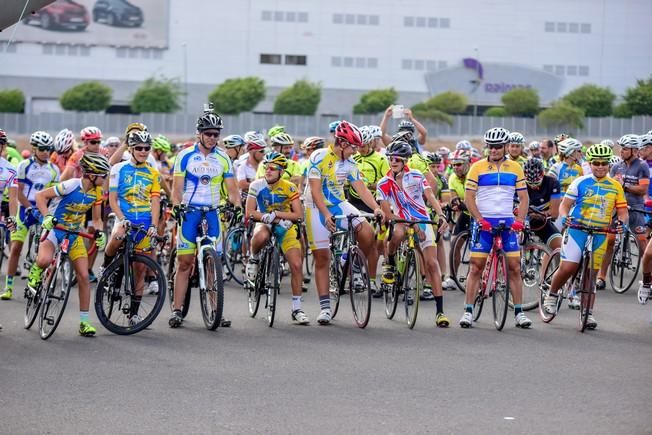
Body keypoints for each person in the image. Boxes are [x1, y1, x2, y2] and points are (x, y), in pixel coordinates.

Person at [304, 120, 385, 325]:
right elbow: (315, 190)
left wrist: (376, 207)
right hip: (315, 207)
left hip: (339, 203)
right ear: (341, 143)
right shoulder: (318, 157)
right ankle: (325, 308)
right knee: (322, 258)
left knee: (367, 233)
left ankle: (349, 264)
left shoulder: (350, 163)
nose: (355, 150)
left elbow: (361, 188)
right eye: (352, 146)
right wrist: (325, 214)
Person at [169, 107, 241, 328]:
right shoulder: (185, 156)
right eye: (208, 133)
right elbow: (177, 188)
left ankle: (215, 308)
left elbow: (232, 189)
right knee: (185, 262)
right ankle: (177, 310)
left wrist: (236, 206)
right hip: (190, 211)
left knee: (214, 262)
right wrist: (176, 206)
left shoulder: (224, 159)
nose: (212, 138)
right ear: (200, 133)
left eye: (216, 134)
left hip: (211, 212)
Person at [542, 143, 628, 329]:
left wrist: (621, 223)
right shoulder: (580, 182)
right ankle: (552, 294)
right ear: (590, 163)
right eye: (596, 163)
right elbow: (565, 205)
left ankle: (587, 313)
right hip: (577, 230)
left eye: (604, 163)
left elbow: (622, 211)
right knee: (569, 267)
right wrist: (565, 218)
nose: (600, 166)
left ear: (608, 165)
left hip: (600, 233)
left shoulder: (615, 187)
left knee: (591, 275)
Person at [29, 153, 109, 336]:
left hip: (74, 234)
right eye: (102, 175)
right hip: (55, 230)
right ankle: (35, 272)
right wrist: (47, 217)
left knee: (83, 276)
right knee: (43, 260)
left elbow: (97, 219)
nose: (104, 179)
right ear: (91, 174)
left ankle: (84, 322)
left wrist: (99, 233)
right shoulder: (71, 185)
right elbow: (41, 196)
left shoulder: (97, 193)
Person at [460, 127, 531, 329]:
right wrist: (479, 219)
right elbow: (468, 197)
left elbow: (524, 197)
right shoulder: (477, 167)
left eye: (498, 147)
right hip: (484, 222)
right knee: (475, 267)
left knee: (515, 267)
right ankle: (468, 311)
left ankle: (519, 312)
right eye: (491, 147)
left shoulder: (515, 167)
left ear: (506, 147)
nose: (494, 150)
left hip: (508, 222)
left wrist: (520, 220)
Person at [377, 141, 450, 327]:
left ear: (405, 161)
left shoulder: (416, 176)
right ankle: (390, 263)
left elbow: (431, 197)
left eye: (397, 159)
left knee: (432, 264)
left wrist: (441, 215)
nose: (393, 162)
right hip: (400, 219)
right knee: (397, 233)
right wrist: (411, 224)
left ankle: (440, 311)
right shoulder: (384, 183)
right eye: (391, 159)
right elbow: (387, 213)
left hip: (422, 218)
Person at [102, 131, 161, 324]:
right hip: (124, 216)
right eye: (139, 148)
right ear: (131, 149)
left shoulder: (153, 173)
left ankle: (134, 313)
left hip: (144, 220)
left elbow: (155, 202)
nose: (143, 152)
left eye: (146, 148)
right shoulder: (118, 169)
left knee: (140, 269)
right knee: (117, 235)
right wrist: (121, 217)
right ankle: (106, 265)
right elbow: (112, 198)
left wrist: (153, 225)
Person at [245, 152, 308, 324]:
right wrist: (265, 217)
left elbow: (298, 214)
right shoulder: (256, 186)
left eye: (273, 168)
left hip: (284, 225)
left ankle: (297, 309)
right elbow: (249, 212)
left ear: (281, 172)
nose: (268, 171)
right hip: (264, 222)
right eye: (267, 167)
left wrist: (278, 215)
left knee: (296, 264)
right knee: (262, 234)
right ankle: (254, 258)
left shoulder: (289, 187)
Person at [1, 131, 60, 300]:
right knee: (16, 248)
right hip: (25, 210)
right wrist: (28, 207)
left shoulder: (54, 169)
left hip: (43, 211)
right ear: (34, 149)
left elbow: (54, 195)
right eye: (42, 148)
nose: (46, 152)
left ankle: (38, 284)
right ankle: (9, 287)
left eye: (49, 148)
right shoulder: (23, 166)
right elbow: (18, 192)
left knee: (46, 250)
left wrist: (46, 211)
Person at [598, 134, 649, 290]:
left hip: (636, 208)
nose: (621, 151)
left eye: (625, 148)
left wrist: (624, 186)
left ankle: (649, 277)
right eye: (621, 148)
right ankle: (601, 277)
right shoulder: (616, 166)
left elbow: (642, 189)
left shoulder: (642, 166)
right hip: (617, 208)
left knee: (642, 242)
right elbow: (610, 186)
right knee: (610, 241)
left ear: (634, 150)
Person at [350, 126, 390, 296]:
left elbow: (385, 182)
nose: (361, 148)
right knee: (352, 240)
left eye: (364, 145)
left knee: (373, 243)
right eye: (359, 145)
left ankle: (372, 280)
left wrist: (370, 185)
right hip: (353, 201)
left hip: (371, 202)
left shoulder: (380, 159)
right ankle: (351, 273)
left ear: (372, 144)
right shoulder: (353, 159)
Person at [523, 158, 562, 251]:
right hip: (522, 222)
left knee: (560, 248)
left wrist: (537, 215)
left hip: (542, 222)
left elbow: (554, 214)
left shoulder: (552, 183)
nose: (534, 186)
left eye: (537, 183)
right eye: (530, 183)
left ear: (543, 174)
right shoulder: (519, 183)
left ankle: (547, 265)